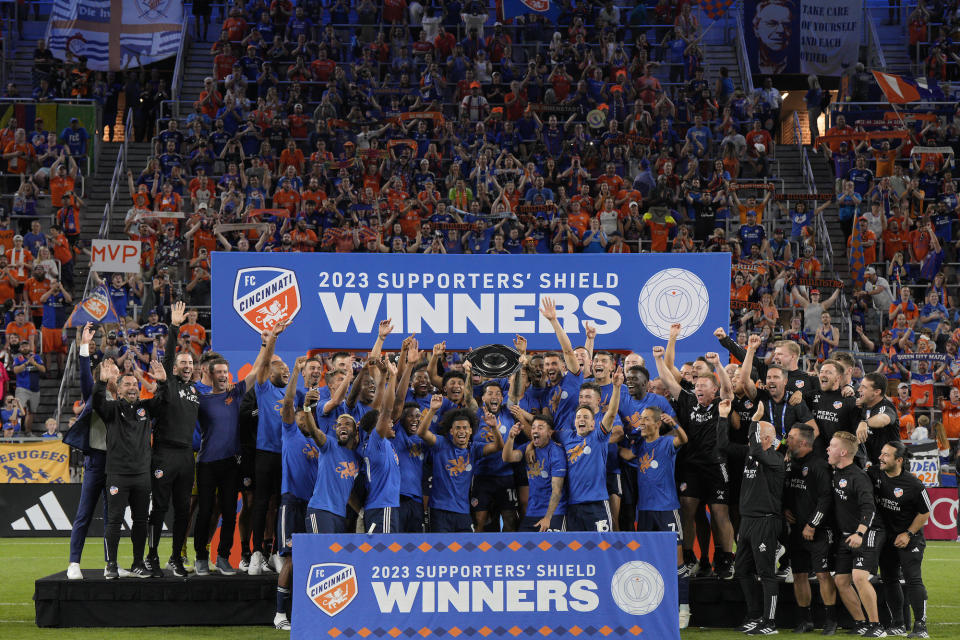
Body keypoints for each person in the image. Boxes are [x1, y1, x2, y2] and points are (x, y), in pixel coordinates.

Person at [194, 321, 285, 576]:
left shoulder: (236, 394)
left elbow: (258, 368)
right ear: (209, 374)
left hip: (231, 463)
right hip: (206, 464)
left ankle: (223, 557)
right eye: (219, 372)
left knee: (229, 514)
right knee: (205, 513)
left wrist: (267, 343)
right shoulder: (200, 399)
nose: (223, 375)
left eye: (226, 371)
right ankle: (201, 556)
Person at [654, 344, 737, 579]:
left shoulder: (723, 401)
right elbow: (669, 382)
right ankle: (689, 556)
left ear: (714, 390)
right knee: (686, 510)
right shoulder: (689, 399)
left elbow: (729, 389)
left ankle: (725, 558)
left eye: (704, 386)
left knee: (720, 512)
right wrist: (658, 359)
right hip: (691, 466)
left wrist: (719, 365)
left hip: (717, 465)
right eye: (697, 385)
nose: (698, 388)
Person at [92, 358, 167, 579]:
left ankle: (137, 563)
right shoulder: (112, 409)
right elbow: (97, 403)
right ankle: (112, 564)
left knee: (141, 520)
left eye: (135, 384)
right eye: (127, 384)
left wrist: (162, 383)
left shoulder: (146, 408)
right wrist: (100, 382)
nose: (133, 387)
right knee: (114, 520)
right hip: (117, 473)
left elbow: (164, 400)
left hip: (142, 475)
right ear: (119, 389)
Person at [621, 405, 690, 629]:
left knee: (677, 562)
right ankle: (652, 608)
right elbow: (625, 454)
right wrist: (610, 442)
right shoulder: (640, 446)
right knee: (646, 562)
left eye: (646, 419)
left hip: (667, 509)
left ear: (657, 423)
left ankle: (684, 608)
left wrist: (675, 424)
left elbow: (684, 439)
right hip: (645, 511)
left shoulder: (666, 443)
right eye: (640, 418)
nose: (641, 422)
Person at [145, 301, 199, 578]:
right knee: (160, 507)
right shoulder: (169, 384)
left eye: (190, 363)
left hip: (186, 457)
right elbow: (167, 360)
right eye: (183, 363)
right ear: (175, 368)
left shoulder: (196, 391)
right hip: (164, 453)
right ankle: (151, 556)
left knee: (183, 511)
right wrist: (175, 327)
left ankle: (176, 558)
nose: (187, 366)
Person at [721, 400, 785, 636]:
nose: (751, 440)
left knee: (766, 573)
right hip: (747, 522)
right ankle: (755, 615)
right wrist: (721, 417)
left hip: (765, 522)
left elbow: (757, 449)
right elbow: (723, 445)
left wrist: (755, 420)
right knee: (742, 570)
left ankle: (770, 622)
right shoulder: (752, 454)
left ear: (767, 438)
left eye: (756, 435)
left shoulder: (776, 460)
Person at [273, 356, 320, 631]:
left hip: (312, 505)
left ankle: (307, 611)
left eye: (308, 413)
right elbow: (289, 403)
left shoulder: (318, 440)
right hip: (291, 502)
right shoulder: (290, 432)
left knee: (311, 558)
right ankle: (280, 614)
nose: (303, 417)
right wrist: (298, 373)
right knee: (290, 558)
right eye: (302, 413)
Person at [829, 431, 887, 638]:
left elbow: (868, 509)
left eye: (832, 446)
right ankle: (861, 623)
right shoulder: (836, 471)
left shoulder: (859, 477)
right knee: (841, 581)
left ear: (843, 452)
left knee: (859, 577)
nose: (828, 448)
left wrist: (860, 533)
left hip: (869, 532)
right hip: (847, 534)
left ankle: (877, 626)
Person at [870, 441, 931, 638]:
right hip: (887, 539)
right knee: (889, 580)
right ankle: (898, 623)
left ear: (899, 460)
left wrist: (908, 534)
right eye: (881, 453)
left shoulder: (914, 484)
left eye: (886, 455)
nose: (881, 457)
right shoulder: (875, 474)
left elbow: (925, 513)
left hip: (909, 539)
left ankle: (921, 626)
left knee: (913, 579)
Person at [784, 424, 838, 635]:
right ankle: (805, 620)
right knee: (799, 574)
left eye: (791, 437)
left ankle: (831, 620)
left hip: (818, 531)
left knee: (823, 574)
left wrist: (813, 524)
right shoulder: (789, 463)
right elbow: (786, 491)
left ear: (803, 442)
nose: (787, 440)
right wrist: (785, 509)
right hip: (796, 530)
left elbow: (826, 499)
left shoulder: (819, 465)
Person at [418, 404, 503, 533]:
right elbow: (422, 433)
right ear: (451, 431)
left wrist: (494, 427)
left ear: (470, 431)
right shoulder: (441, 443)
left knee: (465, 550)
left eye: (465, 428)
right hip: (439, 510)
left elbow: (498, 446)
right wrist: (432, 410)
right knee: (441, 550)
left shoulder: (474, 449)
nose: (461, 431)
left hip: (463, 511)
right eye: (457, 428)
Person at [64, 323, 107, 580]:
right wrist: (84, 345)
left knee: (112, 519)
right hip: (94, 462)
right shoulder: (91, 392)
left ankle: (110, 563)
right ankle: (73, 563)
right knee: (83, 515)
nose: (110, 369)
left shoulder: (123, 397)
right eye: (106, 366)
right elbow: (83, 372)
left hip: (116, 464)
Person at [558, 368, 623, 531]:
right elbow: (546, 434)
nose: (581, 419)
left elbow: (612, 414)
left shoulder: (598, 437)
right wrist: (531, 445)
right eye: (578, 417)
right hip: (573, 505)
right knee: (575, 552)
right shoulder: (567, 437)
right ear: (574, 422)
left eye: (586, 417)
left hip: (597, 504)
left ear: (594, 424)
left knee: (604, 549)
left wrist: (616, 388)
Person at [502, 414, 567, 532]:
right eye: (533, 428)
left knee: (553, 550)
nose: (535, 430)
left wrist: (548, 518)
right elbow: (507, 457)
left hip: (554, 514)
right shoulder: (527, 448)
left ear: (550, 432)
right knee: (523, 549)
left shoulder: (556, 453)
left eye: (540, 428)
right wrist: (511, 438)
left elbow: (557, 491)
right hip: (532, 513)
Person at [856, 372, 901, 465]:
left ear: (877, 392)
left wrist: (865, 423)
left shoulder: (886, 406)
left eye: (864, 387)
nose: (859, 389)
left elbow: (883, 419)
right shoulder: (864, 404)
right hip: (872, 464)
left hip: (891, 467)